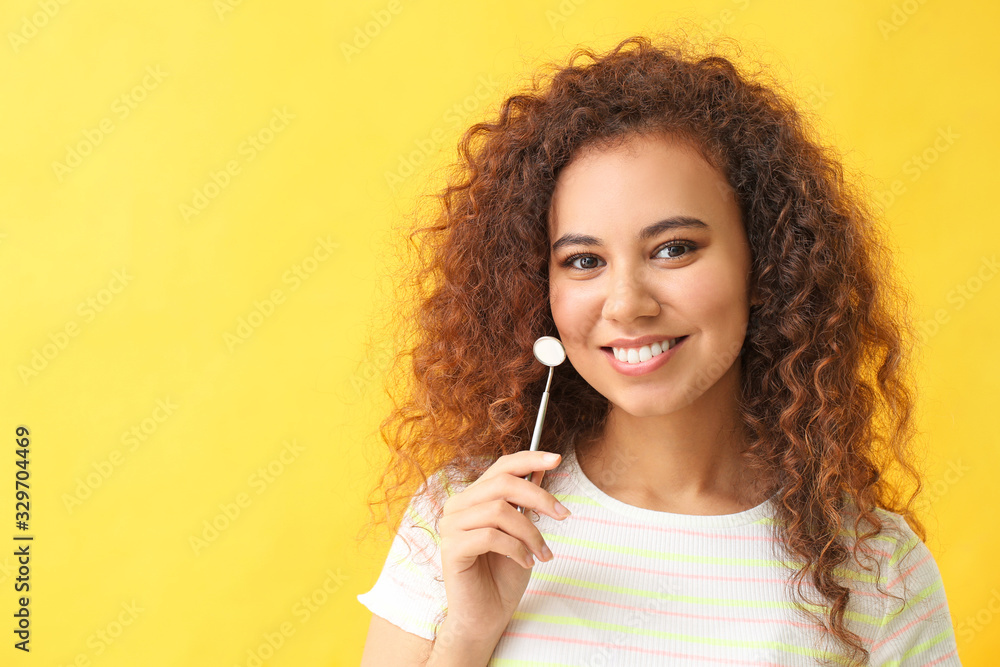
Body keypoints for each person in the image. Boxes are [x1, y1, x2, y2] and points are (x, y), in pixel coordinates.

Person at [356, 34, 962, 666]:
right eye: (584, 261)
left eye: (674, 248)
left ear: (766, 265)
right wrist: (467, 636)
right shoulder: (468, 522)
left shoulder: (879, 571)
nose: (625, 304)